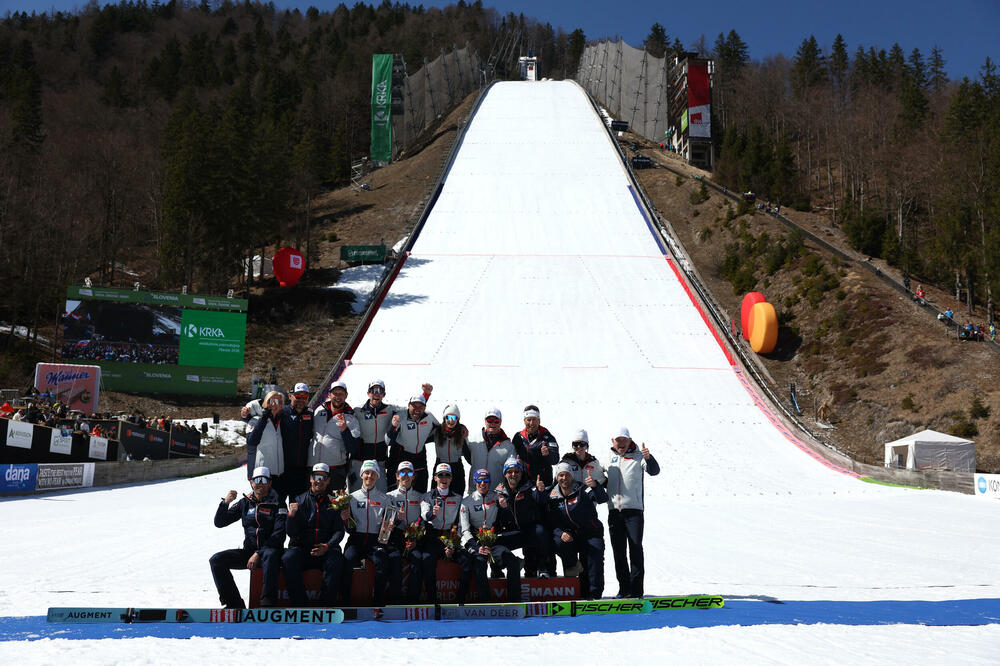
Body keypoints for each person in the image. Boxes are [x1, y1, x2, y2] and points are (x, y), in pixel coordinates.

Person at [210, 466, 287, 609]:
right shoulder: (245, 502)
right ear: (251, 482)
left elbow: (279, 534)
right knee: (216, 560)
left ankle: (267, 605)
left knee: (270, 555)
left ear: (270, 483)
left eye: (264, 480)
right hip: (249, 552)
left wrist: (258, 553)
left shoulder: (278, 503)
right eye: (257, 480)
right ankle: (234, 603)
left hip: (271, 552)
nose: (260, 484)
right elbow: (220, 522)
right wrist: (225, 503)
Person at [606, 427, 660, 599]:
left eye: (624, 440)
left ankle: (636, 591)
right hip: (614, 512)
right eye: (618, 440)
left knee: (635, 549)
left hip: (634, 511)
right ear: (613, 441)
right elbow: (599, 477)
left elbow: (654, 471)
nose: (621, 443)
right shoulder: (609, 457)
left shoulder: (638, 456)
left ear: (630, 440)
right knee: (619, 552)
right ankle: (624, 589)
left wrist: (649, 458)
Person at [541, 461, 607, 600]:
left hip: (591, 533)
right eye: (561, 475)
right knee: (558, 543)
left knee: (594, 557)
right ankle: (578, 587)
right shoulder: (552, 495)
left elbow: (602, 499)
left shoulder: (583, 489)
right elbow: (550, 521)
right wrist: (560, 533)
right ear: (557, 477)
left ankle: (595, 595)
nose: (564, 478)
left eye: (567, 475)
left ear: (572, 476)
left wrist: (595, 486)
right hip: (571, 535)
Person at [282, 462, 345, 607]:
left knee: (336, 560)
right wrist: (291, 516)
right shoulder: (299, 500)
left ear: (328, 481)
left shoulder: (334, 502)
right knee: (288, 558)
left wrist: (327, 546)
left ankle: (325, 605)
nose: (319, 481)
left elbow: (339, 531)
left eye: (323, 478)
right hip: (304, 549)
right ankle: (299, 605)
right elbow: (291, 532)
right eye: (316, 477)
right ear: (311, 479)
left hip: (325, 549)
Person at [460, 469, 521, 603]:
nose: (483, 483)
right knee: (480, 564)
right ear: (475, 481)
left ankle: (515, 601)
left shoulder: (496, 496)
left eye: (486, 480)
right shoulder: (466, 502)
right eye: (480, 480)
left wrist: (505, 507)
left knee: (512, 561)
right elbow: (465, 530)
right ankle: (485, 603)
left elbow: (509, 519)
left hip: (493, 539)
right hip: (476, 542)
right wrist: (477, 548)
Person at [340, 459, 390, 606]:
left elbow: (387, 527)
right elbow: (349, 528)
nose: (370, 476)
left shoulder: (384, 499)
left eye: (373, 473)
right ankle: (345, 601)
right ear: (361, 475)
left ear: (377, 476)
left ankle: (378, 602)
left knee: (382, 562)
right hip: (356, 540)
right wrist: (345, 520)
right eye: (367, 473)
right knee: (347, 560)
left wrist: (389, 527)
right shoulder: (351, 498)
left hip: (375, 541)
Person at [496, 456, 551, 578]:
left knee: (541, 532)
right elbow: (493, 516)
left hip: (528, 530)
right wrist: (500, 507)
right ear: (505, 474)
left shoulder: (529, 487)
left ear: (521, 473)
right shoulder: (499, 491)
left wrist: (541, 491)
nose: (513, 474)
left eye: (517, 471)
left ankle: (542, 567)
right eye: (509, 472)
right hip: (510, 531)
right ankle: (498, 570)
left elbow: (541, 501)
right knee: (492, 540)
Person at [421, 463, 463, 602]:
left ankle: (462, 601)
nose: (444, 478)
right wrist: (432, 514)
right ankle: (432, 601)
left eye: (447, 475)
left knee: (467, 560)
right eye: (440, 475)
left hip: (451, 537)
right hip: (433, 537)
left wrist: (452, 544)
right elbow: (424, 514)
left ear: (451, 478)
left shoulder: (458, 498)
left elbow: (460, 523)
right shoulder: (427, 496)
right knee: (426, 560)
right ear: (435, 478)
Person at [386, 461, 427, 603]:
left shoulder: (420, 497)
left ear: (413, 476)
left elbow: (423, 521)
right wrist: (396, 520)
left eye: (409, 473)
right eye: (402, 473)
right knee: (395, 560)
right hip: (395, 538)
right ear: (397, 476)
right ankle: (394, 601)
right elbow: (385, 523)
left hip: (413, 538)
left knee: (418, 559)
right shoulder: (389, 496)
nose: (406, 476)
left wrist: (416, 540)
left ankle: (412, 601)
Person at [311, 381, 362, 491]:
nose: (338, 397)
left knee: (334, 500)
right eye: (335, 393)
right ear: (329, 395)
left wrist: (345, 430)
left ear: (346, 395)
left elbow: (353, 448)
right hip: (314, 467)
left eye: (341, 394)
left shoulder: (351, 417)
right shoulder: (319, 411)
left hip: (335, 469)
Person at [353, 379, 400, 492]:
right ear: (368, 393)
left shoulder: (390, 409)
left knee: (381, 493)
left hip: (379, 460)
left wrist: (425, 395)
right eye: (373, 390)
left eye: (380, 391)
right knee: (356, 495)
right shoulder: (358, 410)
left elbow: (414, 409)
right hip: (360, 460)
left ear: (384, 394)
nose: (376, 394)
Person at [463, 408, 525, 492]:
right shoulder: (473, 439)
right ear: (485, 421)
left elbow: (511, 469)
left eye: (496, 421)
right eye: (489, 421)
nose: (492, 424)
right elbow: (459, 452)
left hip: (496, 493)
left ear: (500, 422)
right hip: (475, 491)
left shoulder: (508, 446)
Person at [386, 394, 439, 493]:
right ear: (408, 405)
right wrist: (393, 426)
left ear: (425, 407)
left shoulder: (429, 417)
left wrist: (461, 428)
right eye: (414, 406)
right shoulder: (400, 416)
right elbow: (388, 441)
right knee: (396, 493)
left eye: (420, 406)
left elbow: (442, 430)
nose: (417, 409)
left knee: (420, 493)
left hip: (419, 458)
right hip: (400, 457)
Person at [278, 382, 314, 502]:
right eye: (298, 396)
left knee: (298, 505)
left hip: (301, 469)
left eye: (305, 397)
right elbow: (261, 419)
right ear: (290, 396)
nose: (301, 400)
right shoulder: (282, 412)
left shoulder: (310, 414)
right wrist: (246, 417)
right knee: (279, 505)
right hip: (282, 469)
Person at [246, 391, 286, 493]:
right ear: (264, 403)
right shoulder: (255, 420)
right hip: (262, 473)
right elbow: (252, 441)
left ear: (281, 405)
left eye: (278, 401)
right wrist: (263, 419)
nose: (274, 404)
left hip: (280, 472)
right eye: (271, 401)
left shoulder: (282, 420)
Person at [512, 405, 559, 486]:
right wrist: (516, 462)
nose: (531, 423)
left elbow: (555, 460)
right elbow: (511, 457)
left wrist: (548, 454)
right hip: (523, 483)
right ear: (524, 421)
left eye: (534, 419)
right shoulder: (518, 437)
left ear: (539, 421)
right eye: (528, 420)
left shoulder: (548, 437)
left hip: (543, 484)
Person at [433, 404, 469, 497]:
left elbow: (467, 453)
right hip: (440, 466)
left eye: (454, 417)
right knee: (437, 496)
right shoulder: (437, 431)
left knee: (457, 496)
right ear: (444, 418)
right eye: (448, 417)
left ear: (458, 419)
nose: (451, 420)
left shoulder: (462, 433)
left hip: (456, 467)